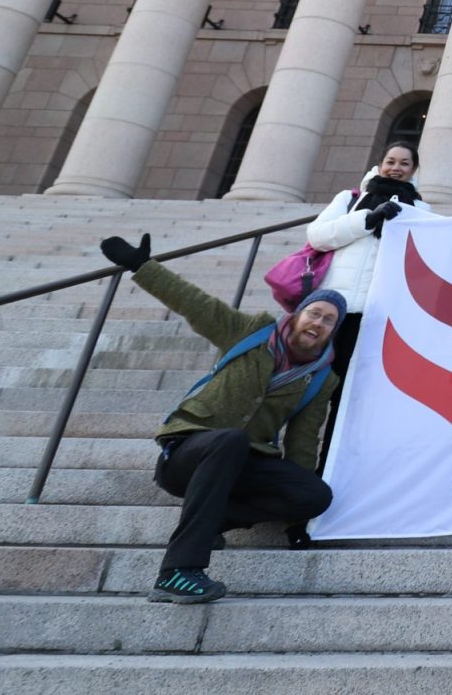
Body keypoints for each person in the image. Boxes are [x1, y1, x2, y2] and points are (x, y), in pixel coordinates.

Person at [96, 231, 339, 605]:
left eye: (328, 321)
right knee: (230, 439)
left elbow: (302, 444)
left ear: (331, 334)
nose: (319, 323)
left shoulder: (321, 377)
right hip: (187, 455)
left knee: (315, 494)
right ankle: (178, 572)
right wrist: (142, 266)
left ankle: (213, 519)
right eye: (315, 313)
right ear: (297, 315)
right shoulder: (252, 332)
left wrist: (297, 521)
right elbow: (195, 304)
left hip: (242, 465)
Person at [303, 139, 430, 392]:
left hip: (376, 312)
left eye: (405, 163)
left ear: (414, 169)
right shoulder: (351, 199)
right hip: (335, 307)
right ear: (380, 164)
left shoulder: (421, 209)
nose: (396, 168)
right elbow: (317, 236)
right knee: (314, 386)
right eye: (390, 162)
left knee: (351, 392)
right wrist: (367, 219)